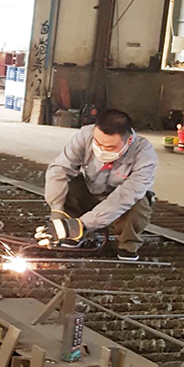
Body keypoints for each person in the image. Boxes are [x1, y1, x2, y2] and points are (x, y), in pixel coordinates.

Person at [36, 109, 158, 261]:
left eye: (110, 147)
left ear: (128, 141)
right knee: (69, 185)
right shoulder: (85, 135)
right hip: (91, 192)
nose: (102, 150)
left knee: (140, 200)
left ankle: (128, 246)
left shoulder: (145, 154)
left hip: (120, 204)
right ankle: (72, 236)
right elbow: (59, 170)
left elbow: (123, 198)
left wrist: (82, 224)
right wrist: (57, 213)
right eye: (98, 143)